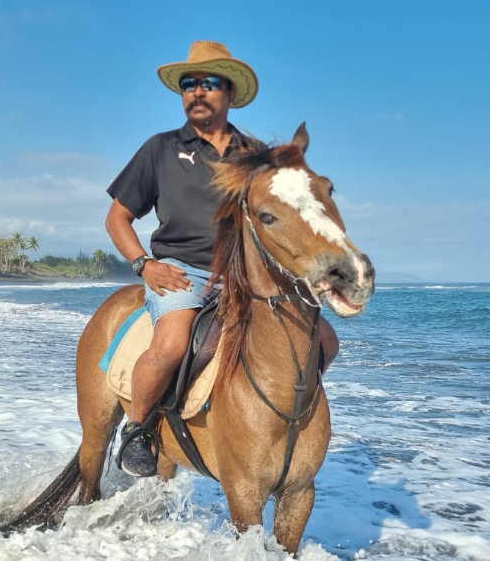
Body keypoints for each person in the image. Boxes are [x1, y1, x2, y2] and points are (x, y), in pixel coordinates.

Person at [105, 39, 338, 477]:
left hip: (246, 277)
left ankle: (285, 423)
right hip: (180, 274)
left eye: (209, 82)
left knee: (326, 339)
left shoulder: (254, 157)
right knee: (173, 343)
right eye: (189, 83)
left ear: (229, 94)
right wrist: (144, 265)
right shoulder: (160, 148)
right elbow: (117, 218)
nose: (197, 90)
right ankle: (137, 428)